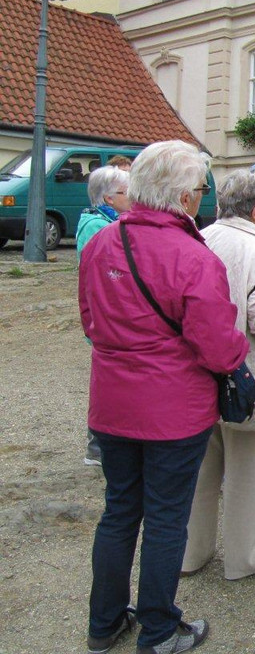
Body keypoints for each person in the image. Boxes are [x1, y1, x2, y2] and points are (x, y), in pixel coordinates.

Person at [79, 140, 248, 654]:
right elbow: (218, 347)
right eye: (200, 189)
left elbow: (90, 321)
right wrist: (240, 350)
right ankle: (158, 630)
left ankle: (105, 622)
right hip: (173, 410)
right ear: (182, 197)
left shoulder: (101, 244)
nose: (202, 197)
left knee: (119, 511)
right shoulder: (193, 256)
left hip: (113, 403)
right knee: (166, 517)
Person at [182, 172, 255, 581]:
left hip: (197, 372)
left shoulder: (199, 238)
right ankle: (244, 557)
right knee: (247, 473)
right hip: (245, 371)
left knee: (201, 470)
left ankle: (191, 552)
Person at [76, 165, 131, 467]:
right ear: (109, 198)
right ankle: (96, 447)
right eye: (126, 193)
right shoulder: (96, 227)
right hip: (105, 317)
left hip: (106, 316)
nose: (132, 198)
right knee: (107, 384)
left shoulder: (108, 221)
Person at [76, 165, 130, 262]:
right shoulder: (96, 225)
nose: (134, 197)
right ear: (109, 198)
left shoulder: (112, 218)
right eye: (128, 192)